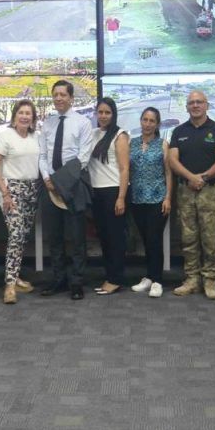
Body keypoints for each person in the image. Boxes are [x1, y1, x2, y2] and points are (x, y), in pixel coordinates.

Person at [168, 90, 215, 301]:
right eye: (191, 102)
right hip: (186, 191)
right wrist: (191, 178)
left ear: (207, 105)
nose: (195, 105)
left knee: (211, 238)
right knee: (188, 238)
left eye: (199, 102)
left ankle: (211, 280)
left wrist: (203, 178)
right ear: (187, 107)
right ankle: (192, 279)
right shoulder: (179, 131)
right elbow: (172, 160)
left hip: (211, 191)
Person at [38, 79, 94, 300]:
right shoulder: (48, 124)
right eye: (56, 95)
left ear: (71, 98)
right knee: (54, 237)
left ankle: (77, 282)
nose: (59, 98)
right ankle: (59, 279)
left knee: (77, 237)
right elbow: (42, 155)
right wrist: (47, 178)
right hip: (50, 187)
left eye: (63, 94)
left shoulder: (83, 123)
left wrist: (59, 181)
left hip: (73, 186)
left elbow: (83, 158)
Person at [0, 99, 41, 304]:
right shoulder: (6, 136)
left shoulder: (36, 137)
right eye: (21, 113)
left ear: (33, 118)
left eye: (28, 113)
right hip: (12, 191)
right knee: (16, 236)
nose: (25, 116)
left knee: (23, 236)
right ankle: (9, 285)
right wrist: (5, 193)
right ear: (14, 116)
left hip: (32, 190)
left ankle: (15, 276)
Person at [128, 107, 172, 298]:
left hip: (158, 198)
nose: (147, 124)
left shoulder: (163, 144)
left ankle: (157, 281)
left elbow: (169, 173)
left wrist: (168, 197)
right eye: (145, 119)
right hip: (137, 199)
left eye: (151, 121)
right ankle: (149, 276)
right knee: (145, 239)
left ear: (157, 124)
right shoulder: (132, 143)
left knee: (154, 239)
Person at [89, 97, 130, 295]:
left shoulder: (120, 136)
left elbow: (124, 169)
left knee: (115, 238)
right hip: (96, 192)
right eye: (100, 112)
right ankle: (109, 275)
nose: (103, 116)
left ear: (113, 114)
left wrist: (121, 197)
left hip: (113, 191)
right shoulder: (94, 134)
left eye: (107, 112)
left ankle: (116, 279)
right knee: (104, 237)